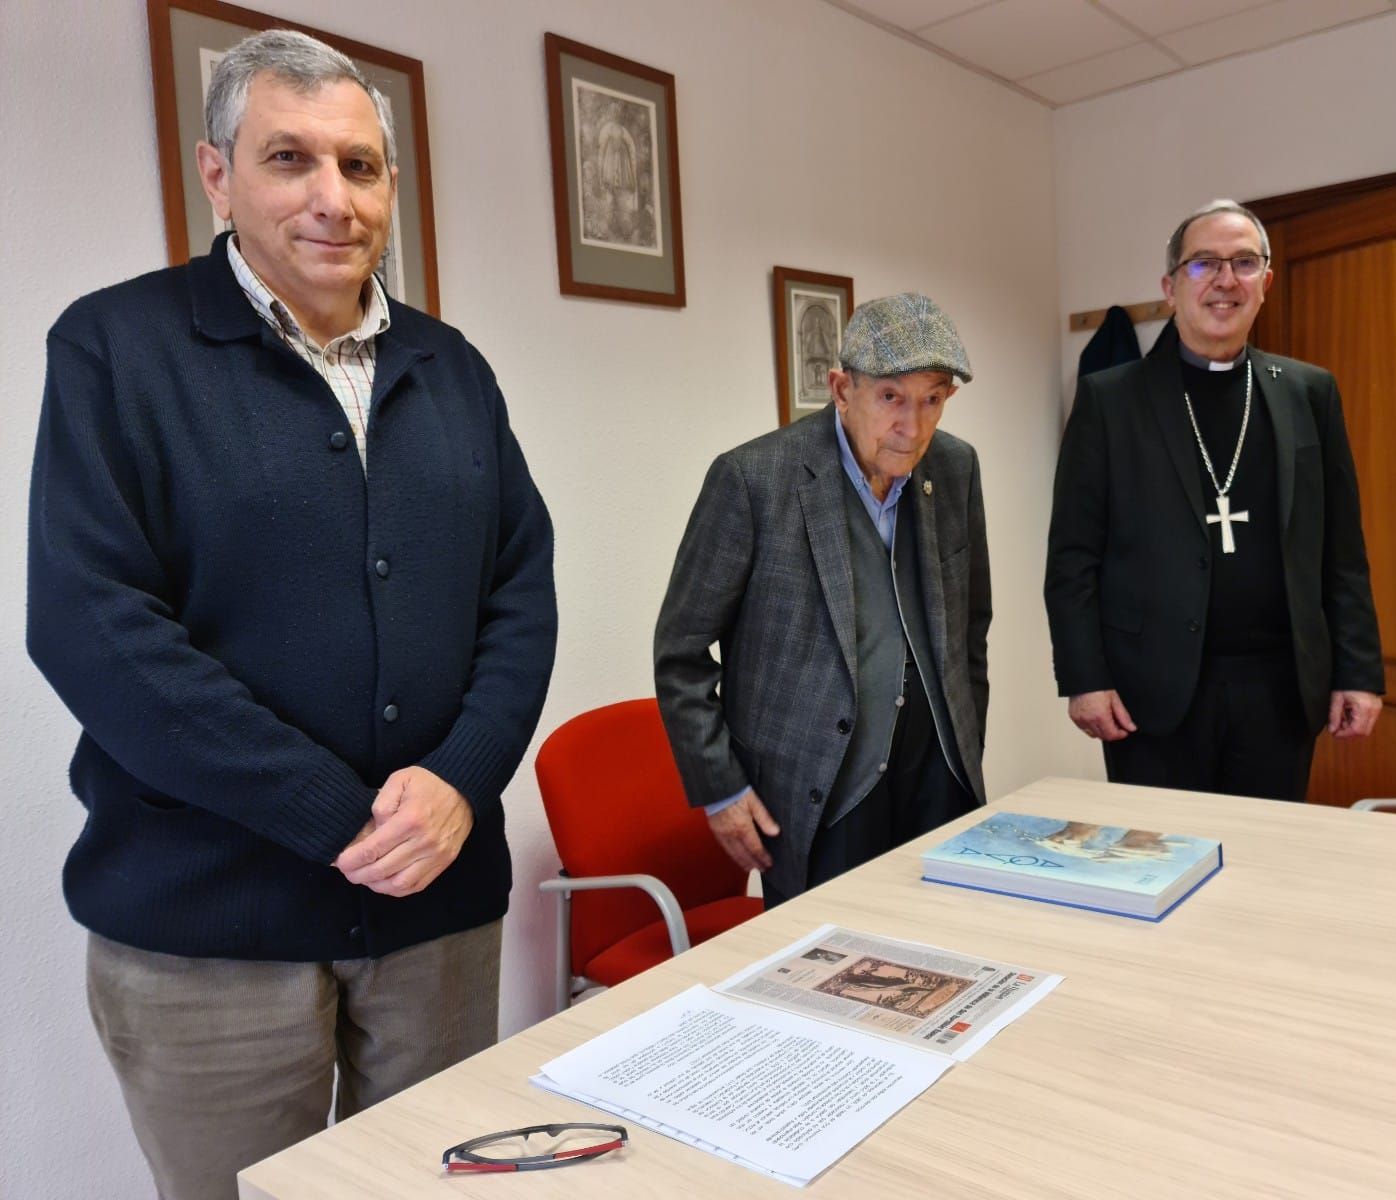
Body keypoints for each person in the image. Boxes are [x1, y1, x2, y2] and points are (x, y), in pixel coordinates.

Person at [26, 30, 556, 1199]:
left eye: (359, 167)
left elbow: (521, 589)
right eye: (289, 160)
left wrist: (463, 778)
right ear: (217, 175)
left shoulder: (451, 367)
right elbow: (91, 623)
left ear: (391, 185)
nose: (333, 198)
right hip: (208, 933)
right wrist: (336, 812)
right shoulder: (117, 348)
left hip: (436, 907)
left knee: (430, 1187)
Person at [655, 293, 990, 907]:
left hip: (940, 777)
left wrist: (967, 747)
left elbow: (971, 630)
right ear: (841, 389)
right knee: (831, 982)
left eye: (932, 399)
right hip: (818, 791)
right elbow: (680, 654)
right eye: (891, 396)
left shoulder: (956, 467)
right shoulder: (754, 480)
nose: (912, 427)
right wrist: (721, 788)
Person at [1045, 199, 1383, 803]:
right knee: (1157, 859)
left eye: (1244, 263)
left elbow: (1341, 551)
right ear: (1170, 286)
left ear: (1266, 283)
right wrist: (1084, 678)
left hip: (1281, 691)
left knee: (1266, 866)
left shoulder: (1310, 391)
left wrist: (1358, 671)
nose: (1226, 280)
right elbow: (1072, 558)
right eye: (1204, 264)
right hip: (1150, 690)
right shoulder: (1110, 401)